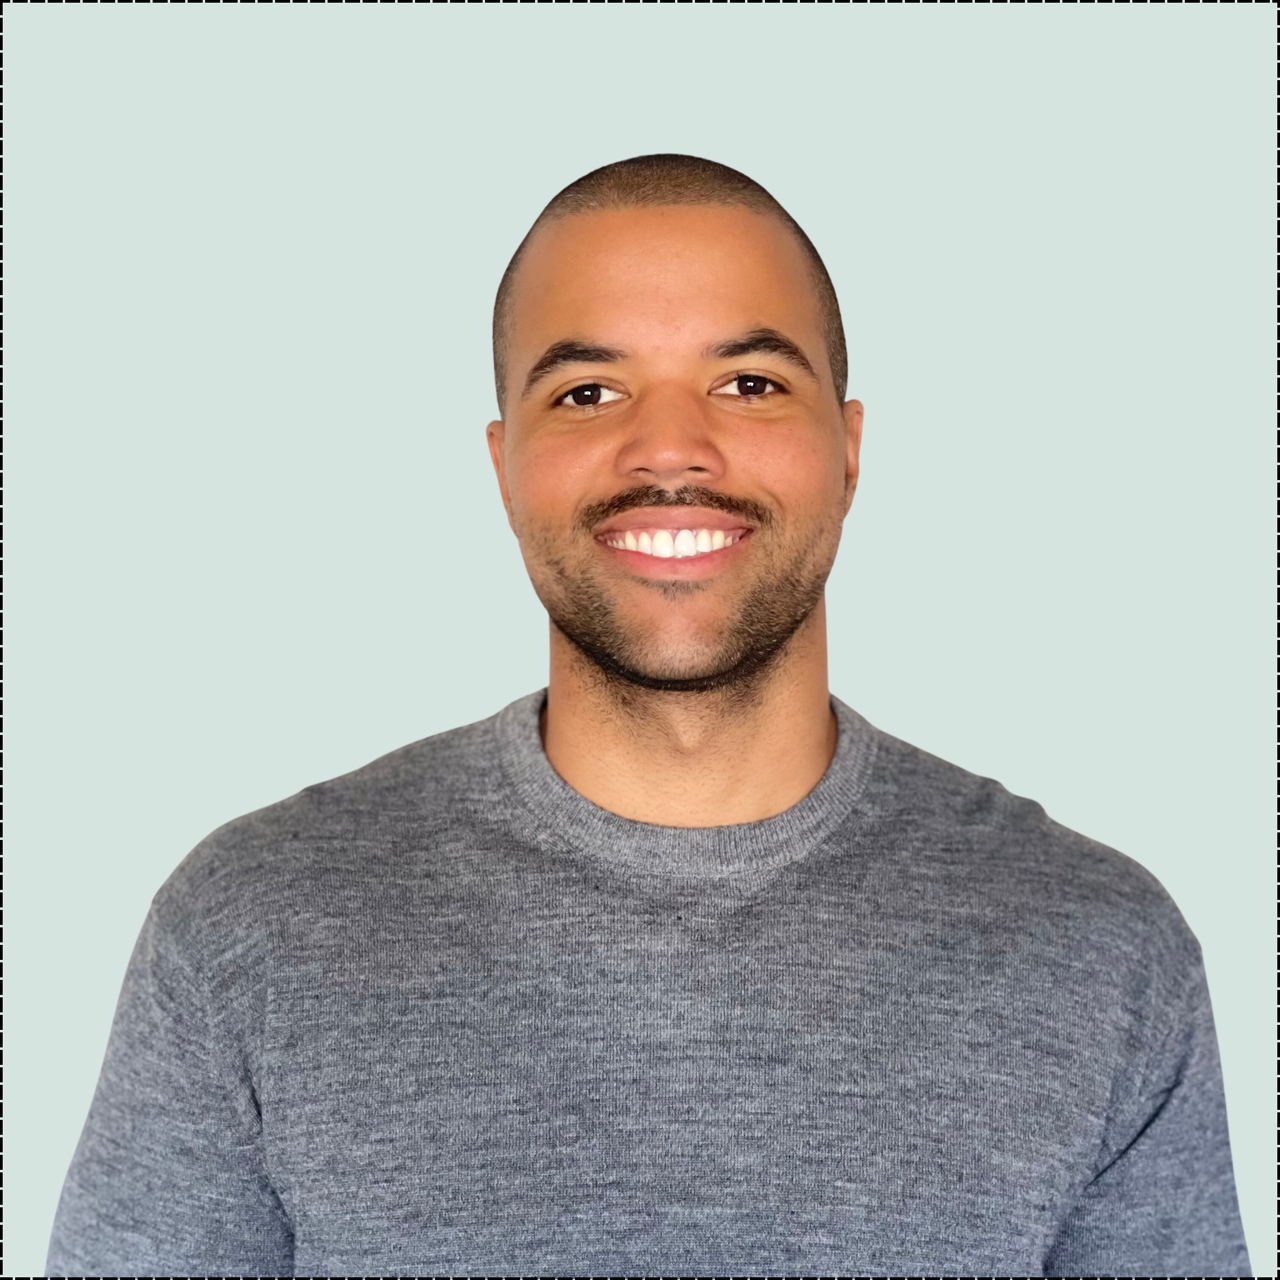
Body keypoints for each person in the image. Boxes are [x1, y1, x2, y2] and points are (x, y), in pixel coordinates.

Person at [46, 153, 1251, 1277]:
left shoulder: (1097, 946)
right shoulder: (248, 925)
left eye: (747, 382)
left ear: (848, 447)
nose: (669, 446)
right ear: (503, 462)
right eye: (585, 389)